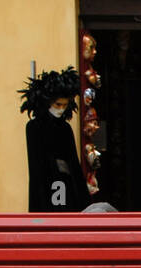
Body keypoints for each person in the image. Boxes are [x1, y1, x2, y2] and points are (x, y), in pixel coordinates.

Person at [20, 68, 90, 213]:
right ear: (47, 102)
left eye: (64, 105)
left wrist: (83, 200)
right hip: (49, 188)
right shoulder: (34, 127)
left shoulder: (65, 128)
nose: (61, 109)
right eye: (58, 105)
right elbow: (37, 169)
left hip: (67, 187)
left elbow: (74, 165)